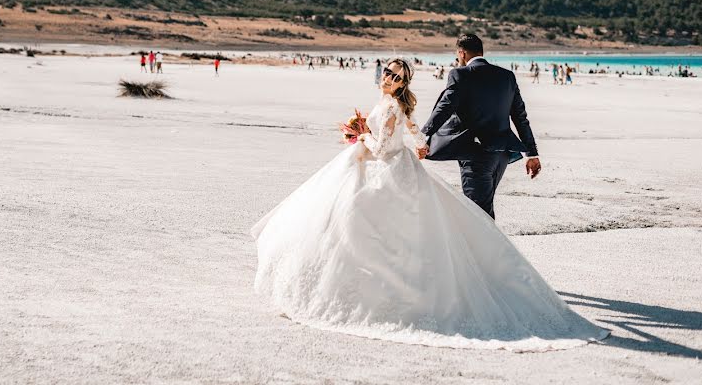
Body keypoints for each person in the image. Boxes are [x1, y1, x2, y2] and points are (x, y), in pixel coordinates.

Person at [252, 57, 607, 350]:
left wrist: (360, 135)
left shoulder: (391, 106)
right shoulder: (391, 105)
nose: (388, 77)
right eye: (387, 72)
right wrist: (410, 143)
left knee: (369, 231)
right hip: (397, 166)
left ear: (402, 83)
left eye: (395, 75)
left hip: (386, 170)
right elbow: (418, 136)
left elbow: (382, 148)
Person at [420, 35, 540, 220]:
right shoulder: (506, 76)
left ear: (461, 53)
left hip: (476, 155)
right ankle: (485, 248)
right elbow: (520, 117)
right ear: (481, 52)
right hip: (502, 155)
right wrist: (531, 154)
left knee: (478, 215)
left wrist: (422, 136)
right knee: (483, 208)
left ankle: (491, 249)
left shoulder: (460, 75)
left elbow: (444, 108)